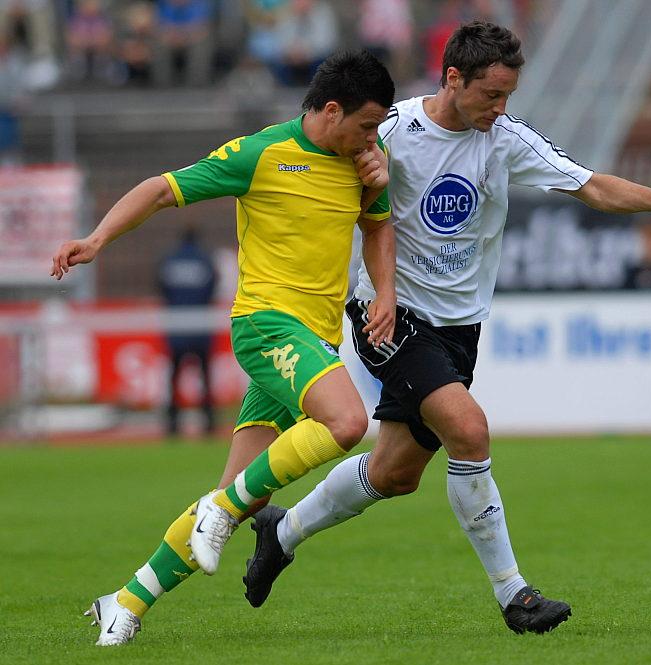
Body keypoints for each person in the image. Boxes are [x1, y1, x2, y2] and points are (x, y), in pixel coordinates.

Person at [241, 21, 651, 636]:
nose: (500, 108)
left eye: (507, 96)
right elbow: (322, 157)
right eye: (491, 95)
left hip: (459, 329)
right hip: (390, 316)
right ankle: (514, 594)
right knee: (469, 430)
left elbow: (589, 185)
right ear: (452, 78)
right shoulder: (391, 129)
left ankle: (281, 533)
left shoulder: (504, 139)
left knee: (393, 474)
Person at [50, 49, 396, 646]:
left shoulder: (366, 160)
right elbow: (162, 189)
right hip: (268, 325)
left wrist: (384, 285)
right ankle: (222, 508)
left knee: (238, 497)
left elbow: (377, 226)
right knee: (346, 422)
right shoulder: (260, 153)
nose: (373, 138)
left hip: (314, 338)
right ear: (332, 111)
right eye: (367, 125)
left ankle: (124, 602)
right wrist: (97, 237)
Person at [157, 225, 218, 435]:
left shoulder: (169, 260)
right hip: (201, 325)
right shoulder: (205, 260)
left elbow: (162, 288)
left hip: (176, 325)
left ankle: (172, 423)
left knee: (174, 376)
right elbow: (212, 288)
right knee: (205, 375)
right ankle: (209, 422)